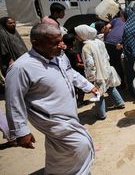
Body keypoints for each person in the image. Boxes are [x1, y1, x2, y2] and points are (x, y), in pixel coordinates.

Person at [5, 23, 98, 174]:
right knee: (82, 145)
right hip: (51, 118)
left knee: (59, 149)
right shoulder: (21, 68)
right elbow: (13, 101)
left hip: (69, 113)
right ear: (36, 43)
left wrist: (88, 86)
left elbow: (71, 73)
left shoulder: (59, 57)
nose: (62, 45)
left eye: (60, 40)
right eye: (55, 42)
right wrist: (21, 132)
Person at [75, 24, 125, 120]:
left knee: (98, 93)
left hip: (97, 74)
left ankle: (102, 114)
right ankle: (120, 103)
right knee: (110, 87)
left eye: (77, 34)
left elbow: (90, 64)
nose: (76, 37)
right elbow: (107, 56)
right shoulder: (99, 42)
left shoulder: (86, 47)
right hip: (107, 69)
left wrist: (90, 77)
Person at [123, 8, 135, 99]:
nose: (121, 17)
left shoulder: (126, 26)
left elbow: (126, 42)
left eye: (122, 15)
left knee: (132, 74)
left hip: (131, 54)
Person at [63, 33, 87, 107]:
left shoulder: (63, 51)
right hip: (78, 72)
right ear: (73, 42)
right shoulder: (75, 52)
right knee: (81, 87)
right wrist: (87, 66)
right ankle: (80, 101)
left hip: (67, 71)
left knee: (72, 87)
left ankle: (75, 101)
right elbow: (78, 64)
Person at [104, 10, 126, 89]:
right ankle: (122, 83)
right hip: (118, 44)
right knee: (118, 64)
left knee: (111, 63)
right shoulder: (129, 21)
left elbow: (106, 27)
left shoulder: (116, 19)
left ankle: (113, 83)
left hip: (108, 42)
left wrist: (105, 37)